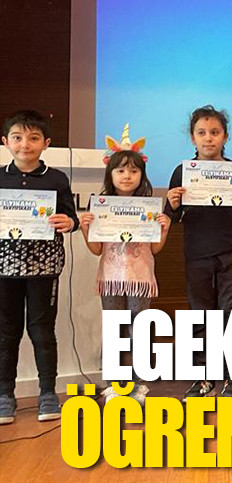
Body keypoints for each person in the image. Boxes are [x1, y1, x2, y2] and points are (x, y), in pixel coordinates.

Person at [166, 106, 232, 402]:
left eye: (215, 132)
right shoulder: (182, 172)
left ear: (225, 136)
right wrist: (172, 203)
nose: (208, 138)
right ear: (192, 138)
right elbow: (174, 214)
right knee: (200, 315)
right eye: (202, 133)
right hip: (197, 254)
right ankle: (203, 377)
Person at [79, 129, 171, 406]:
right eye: (120, 171)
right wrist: (85, 229)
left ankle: (139, 383)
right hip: (111, 277)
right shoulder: (102, 208)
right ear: (111, 175)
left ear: (142, 175)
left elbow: (155, 249)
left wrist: (164, 229)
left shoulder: (148, 209)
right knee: (114, 329)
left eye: (133, 171)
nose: (127, 176)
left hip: (140, 278)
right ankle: (114, 384)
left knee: (139, 329)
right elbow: (97, 250)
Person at [0, 110, 78, 424]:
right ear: (5, 141)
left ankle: (47, 393)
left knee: (42, 331)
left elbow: (71, 218)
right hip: (4, 267)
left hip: (44, 267)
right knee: (6, 331)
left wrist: (68, 222)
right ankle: (5, 394)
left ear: (46, 143)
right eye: (17, 137)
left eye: (33, 138)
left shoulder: (57, 178)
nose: (25, 144)